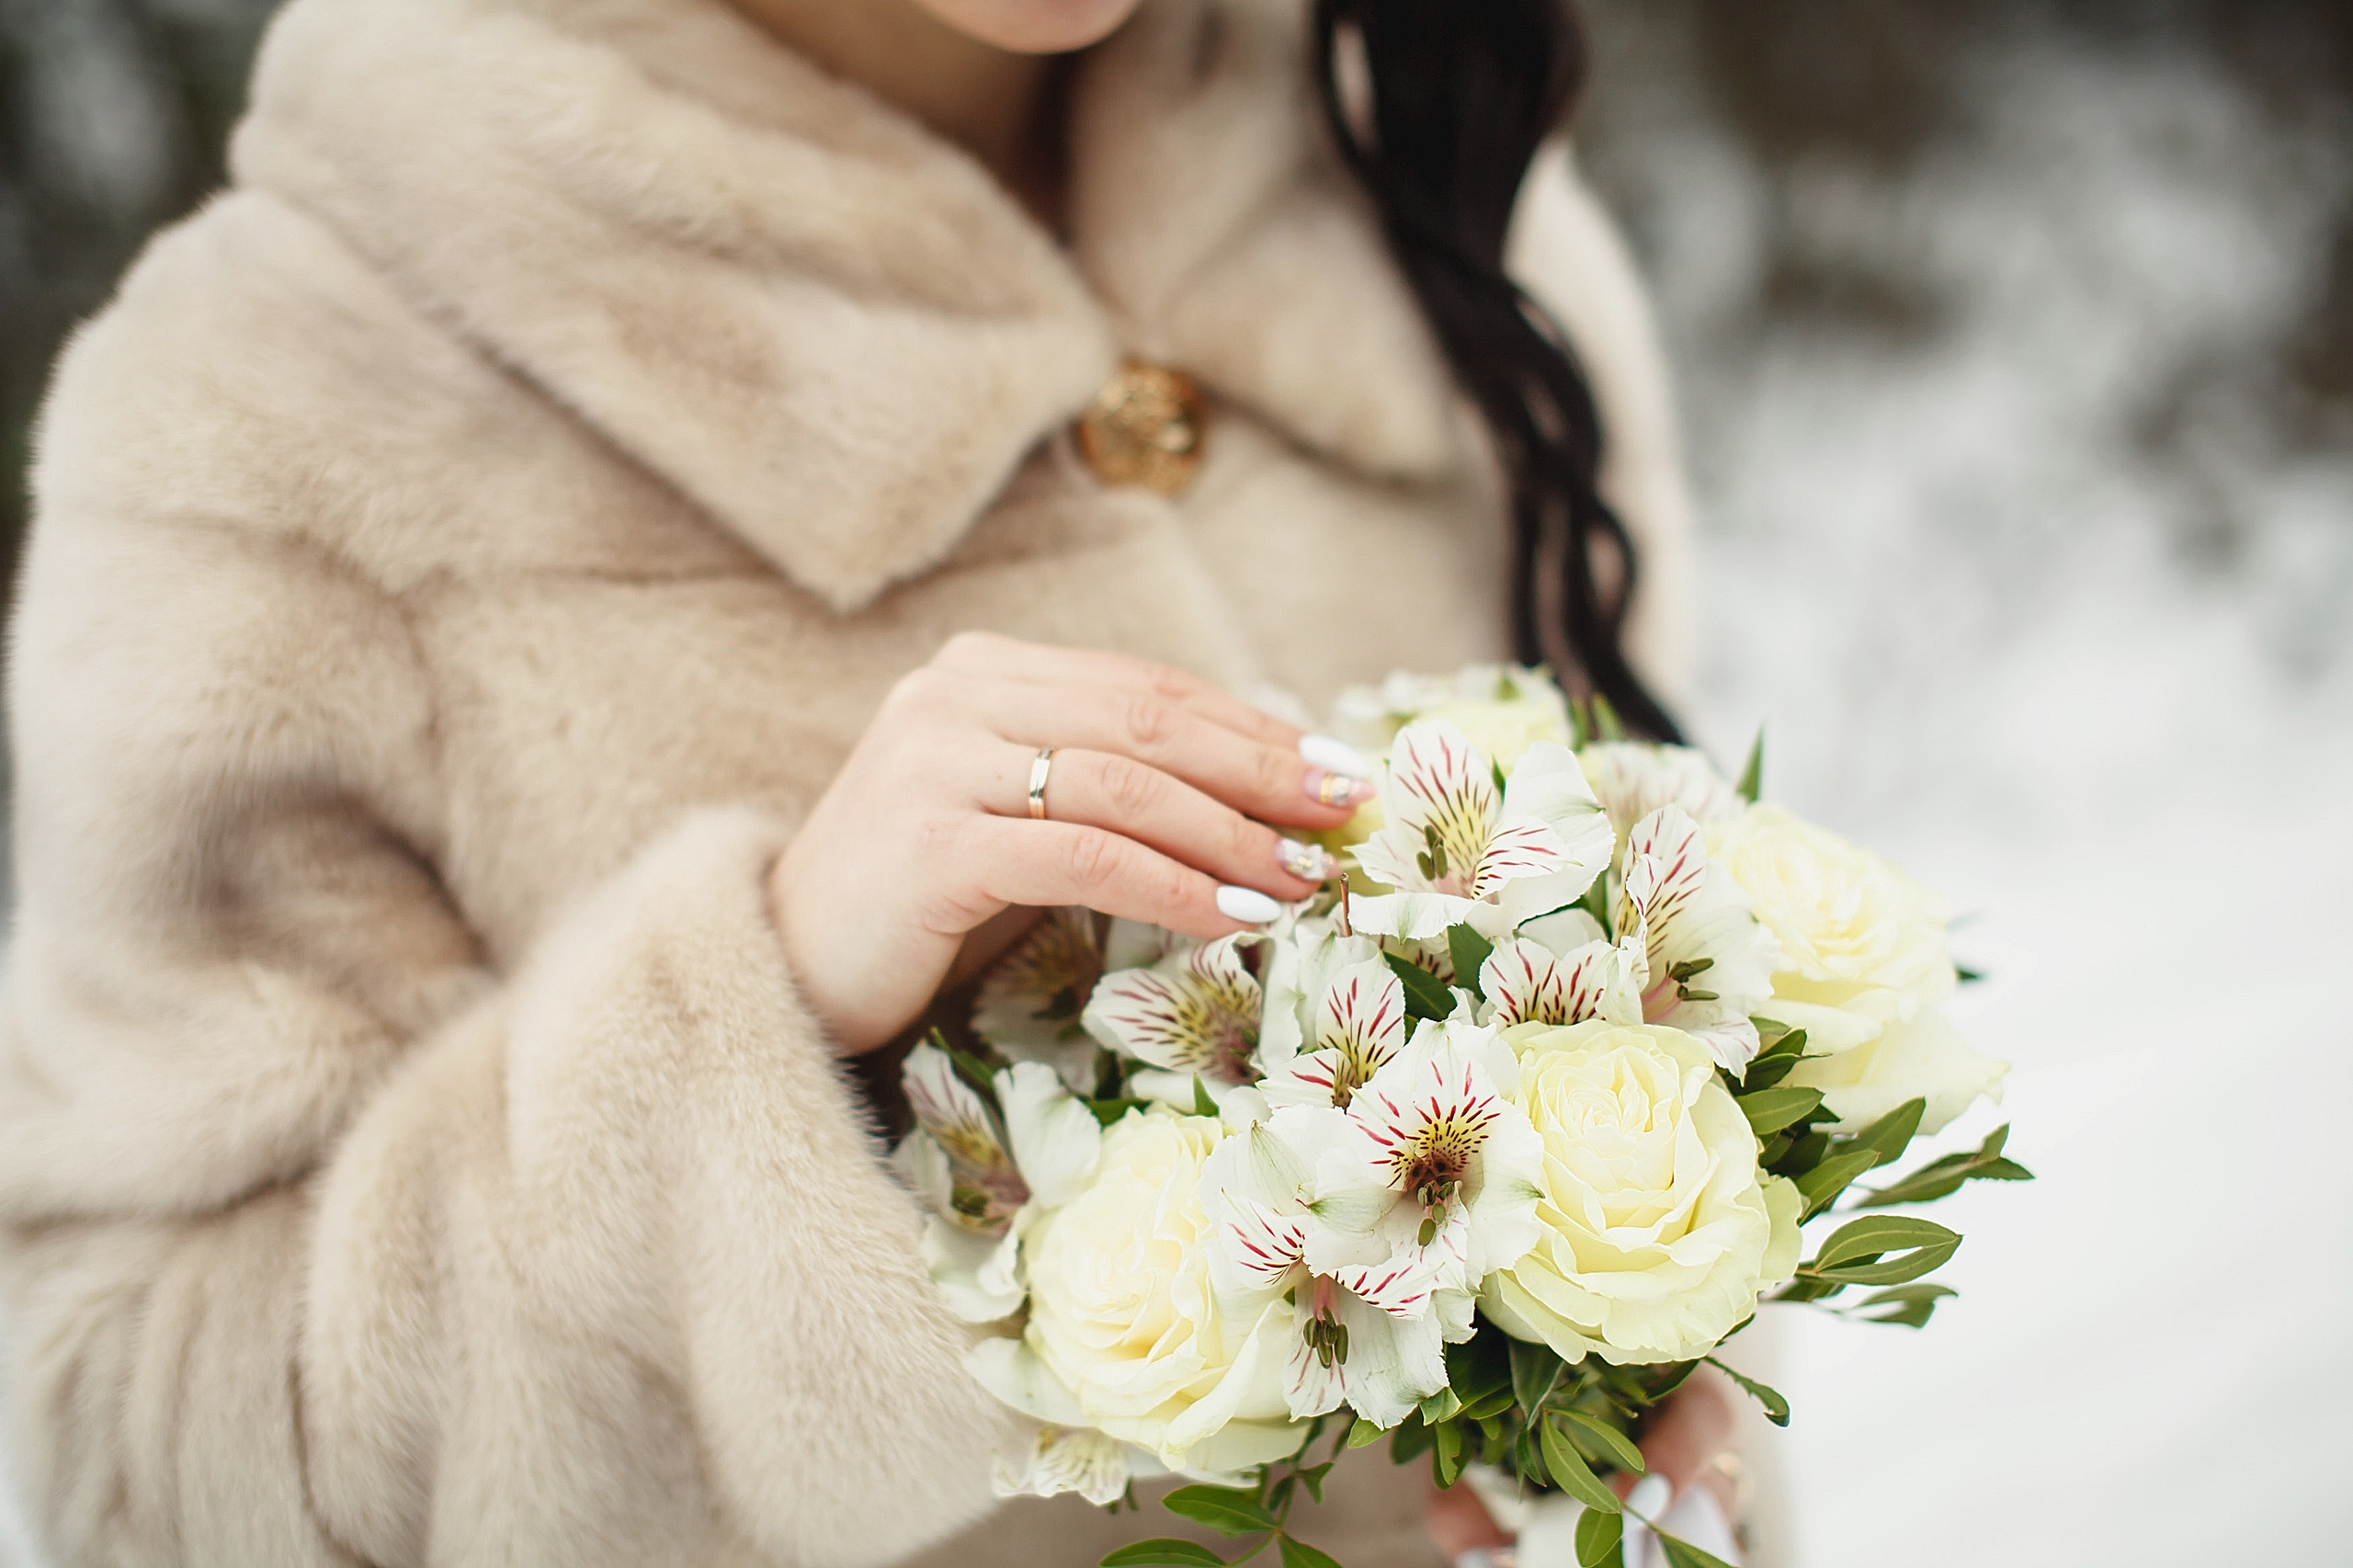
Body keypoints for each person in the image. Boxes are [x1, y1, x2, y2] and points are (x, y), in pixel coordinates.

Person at [0, 0, 1749, 1562]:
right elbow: (138, 1473)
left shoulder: (1431, 156)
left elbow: (1669, 962)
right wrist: (769, 1038)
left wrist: (1651, 1346)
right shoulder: (267, 415)